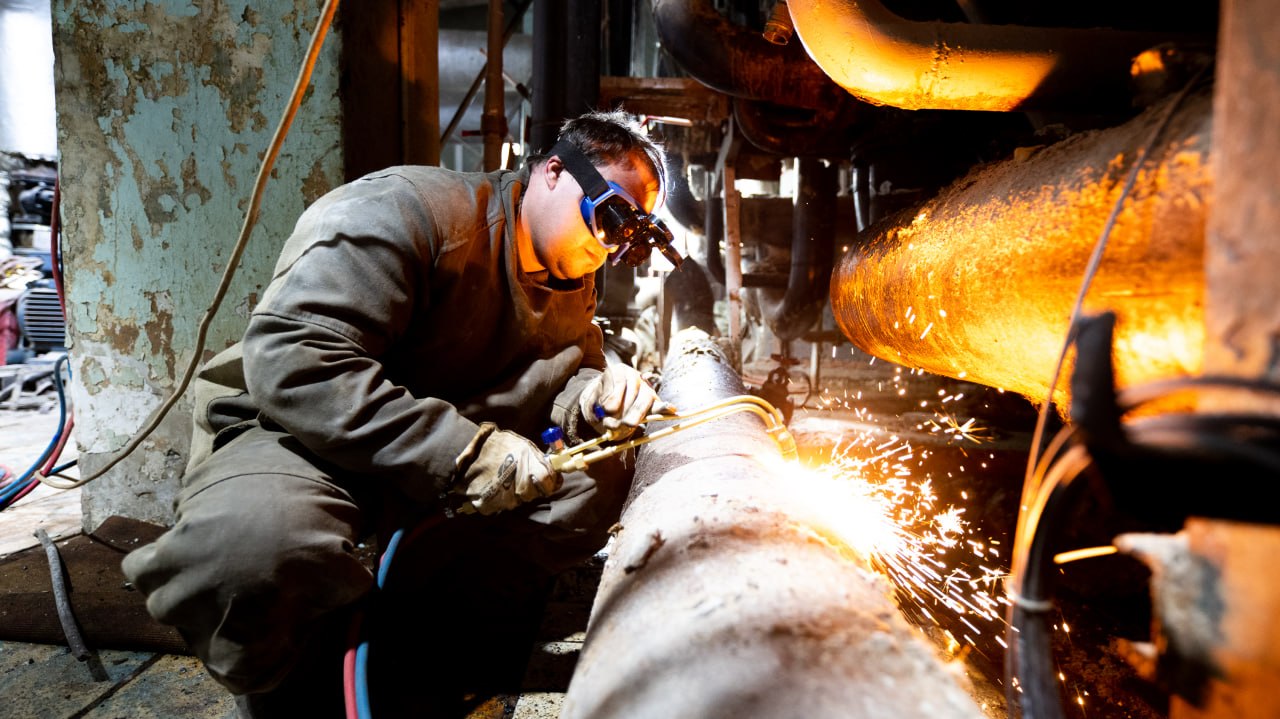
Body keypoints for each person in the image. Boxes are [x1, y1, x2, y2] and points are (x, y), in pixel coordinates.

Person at [121, 109, 672, 717]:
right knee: (243, 553)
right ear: (554, 171)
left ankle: (435, 630)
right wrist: (461, 453)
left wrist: (593, 396)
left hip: (451, 451)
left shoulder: (567, 267)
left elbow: (567, 362)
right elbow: (297, 361)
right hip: (309, 438)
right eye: (609, 217)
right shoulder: (407, 211)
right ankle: (288, 688)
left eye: (627, 238)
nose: (607, 247)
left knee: (600, 478)